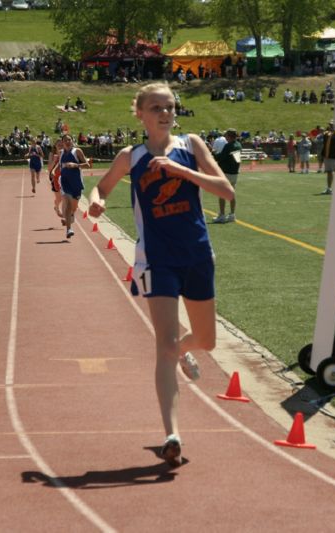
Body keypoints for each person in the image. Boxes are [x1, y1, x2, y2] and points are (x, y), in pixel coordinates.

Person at [88, 83, 235, 466]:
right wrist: (96, 203)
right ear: (139, 112)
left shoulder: (192, 146)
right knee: (165, 344)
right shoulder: (131, 156)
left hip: (197, 253)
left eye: (169, 107)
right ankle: (171, 434)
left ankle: (185, 353)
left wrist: (181, 171)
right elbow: (100, 188)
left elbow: (227, 191)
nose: (165, 113)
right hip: (156, 260)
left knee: (206, 340)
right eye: (156, 107)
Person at [58, 134, 90, 239]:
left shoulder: (77, 151)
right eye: (65, 140)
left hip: (76, 183)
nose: (67, 141)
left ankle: (71, 215)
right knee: (67, 205)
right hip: (65, 182)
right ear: (62, 142)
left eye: (69, 139)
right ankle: (69, 229)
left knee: (74, 207)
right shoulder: (61, 153)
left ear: (72, 141)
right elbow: (60, 167)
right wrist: (54, 173)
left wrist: (75, 165)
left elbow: (87, 165)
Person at [211, 128, 241, 223]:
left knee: (222, 193)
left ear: (229, 136)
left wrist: (213, 151)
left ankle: (222, 215)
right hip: (234, 173)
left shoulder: (228, 146)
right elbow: (236, 160)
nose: (225, 136)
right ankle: (232, 214)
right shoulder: (239, 145)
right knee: (232, 193)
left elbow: (220, 158)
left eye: (226, 135)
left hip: (226, 172)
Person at [321, 119, 335, 194]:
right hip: (328, 156)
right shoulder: (327, 133)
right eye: (330, 124)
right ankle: (329, 188)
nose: (330, 126)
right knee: (329, 172)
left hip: (334, 156)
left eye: (332, 124)